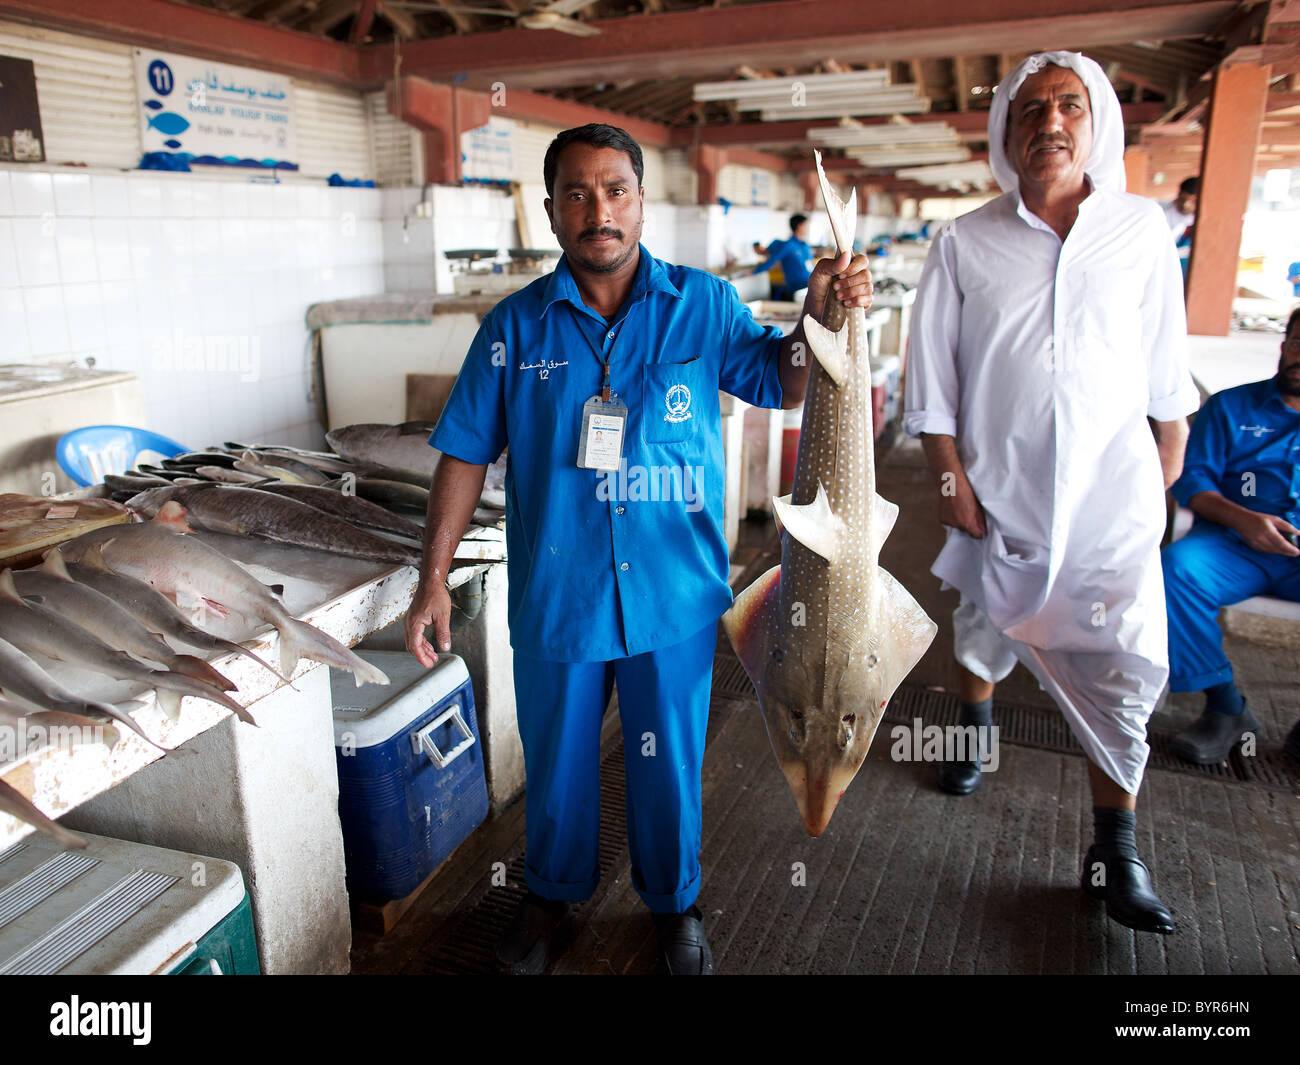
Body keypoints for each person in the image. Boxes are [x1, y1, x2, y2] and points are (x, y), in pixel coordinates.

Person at [404, 123, 874, 975]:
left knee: (669, 760)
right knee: (555, 760)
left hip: (673, 591)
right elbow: (464, 452)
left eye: (615, 189)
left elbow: (787, 379)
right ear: (549, 212)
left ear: (642, 201)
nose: (598, 210)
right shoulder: (512, 329)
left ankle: (674, 905)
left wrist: (822, 311)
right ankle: (550, 900)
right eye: (577, 193)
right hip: (560, 592)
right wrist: (432, 580)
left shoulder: (704, 304)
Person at [904, 52, 1198, 935]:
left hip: (1112, 499)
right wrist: (952, 480)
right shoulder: (964, 241)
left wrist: (1163, 466)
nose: (1050, 122)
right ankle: (971, 730)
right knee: (983, 623)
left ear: (1094, 123)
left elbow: (1166, 371)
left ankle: (1117, 848)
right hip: (1001, 491)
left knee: (1126, 660)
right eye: (1031, 109)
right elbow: (932, 384)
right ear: (1006, 133)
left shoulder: (1140, 231)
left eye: (1069, 105)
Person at [1162, 308, 1300, 764]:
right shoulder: (1231, 407)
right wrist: (1244, 519)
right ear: (1283, 346)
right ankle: (1225, 708)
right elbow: (1191, 479)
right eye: (1298, 342)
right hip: (1233, 545)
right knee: (1176, 571)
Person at [751, 213, 814, 301]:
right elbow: (772, 261)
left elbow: (810, 265)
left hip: (810, 286)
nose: (807, 228)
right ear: (799, 226)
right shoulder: (788, 245)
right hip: (796, 288)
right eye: (806, 225)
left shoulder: (805, 246)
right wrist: (754, 272)